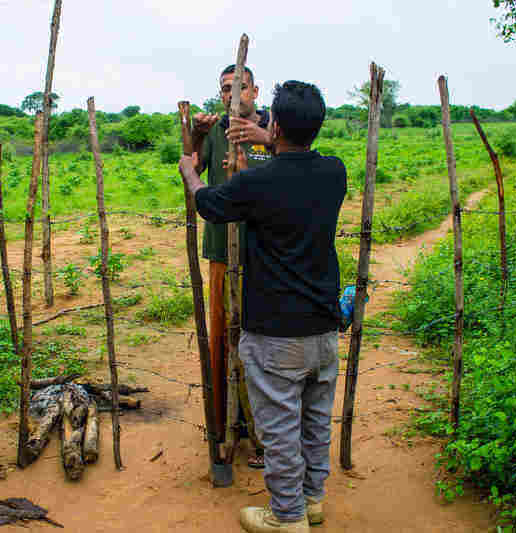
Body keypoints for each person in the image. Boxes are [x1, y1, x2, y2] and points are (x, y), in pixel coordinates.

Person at [179, 80, 346, 532]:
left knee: (279, 431)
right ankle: (312, 502)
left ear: (275, 123)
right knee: (314, 423)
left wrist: (189, 171)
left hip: (276, 333)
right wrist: (270, 135)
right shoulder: (335, 172)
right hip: (324, 329)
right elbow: (292, 162)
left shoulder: (256, 183)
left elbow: (209, 204)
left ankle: (288, 518)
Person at [190, 64, 273, 468]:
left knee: (263, 340)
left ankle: (265, 432)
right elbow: (190, 171)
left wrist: (264, 141)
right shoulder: (217, 131)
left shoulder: (275, 128)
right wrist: (197, 135)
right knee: (225, 338)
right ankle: (226, 425)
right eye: (225, 88)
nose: (231, 94)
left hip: (266, 252)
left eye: (238, 87)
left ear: (255, 91)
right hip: (222, 249)